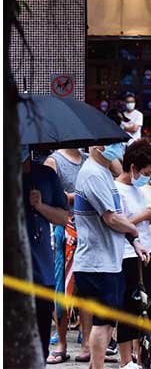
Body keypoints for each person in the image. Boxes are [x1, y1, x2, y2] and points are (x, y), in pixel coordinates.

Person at [73, 141, 150, 369]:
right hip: (96, 262)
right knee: (103, 321)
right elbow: (111, 218)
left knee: (108, 322)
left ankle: (95, 366)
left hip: (109, 260)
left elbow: (117, 215)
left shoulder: (104, 172)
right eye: (112, 143)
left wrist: (134, 241)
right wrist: (134, 229)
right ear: (97, 145)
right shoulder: (92, 174)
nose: (118, 148)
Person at [114, 140, 151, 369]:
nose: (147, 177)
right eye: (145, 173)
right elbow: (116, 223)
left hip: (148, 249)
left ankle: (145, 356)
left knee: (150, 305)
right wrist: (143, 216)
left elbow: (140, 219)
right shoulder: (116, 189)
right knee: (129, 306)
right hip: (127, 254)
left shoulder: (139, 189)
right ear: (133, 167)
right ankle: (126, 359)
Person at [22, 146, 70, 362]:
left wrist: (40, 206)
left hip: (41, 270)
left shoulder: (45, 175)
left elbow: (62, 218)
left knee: (40, 339)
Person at [44, 148, 88, 364]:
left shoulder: (89, 159)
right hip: (64, 231)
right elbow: (52, 196)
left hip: (88, 229)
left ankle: (87, 343)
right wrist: (81, 195)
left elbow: (116, 171)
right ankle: (61, 343)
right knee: (62, 289)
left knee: (87, 289)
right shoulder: (54, 161)